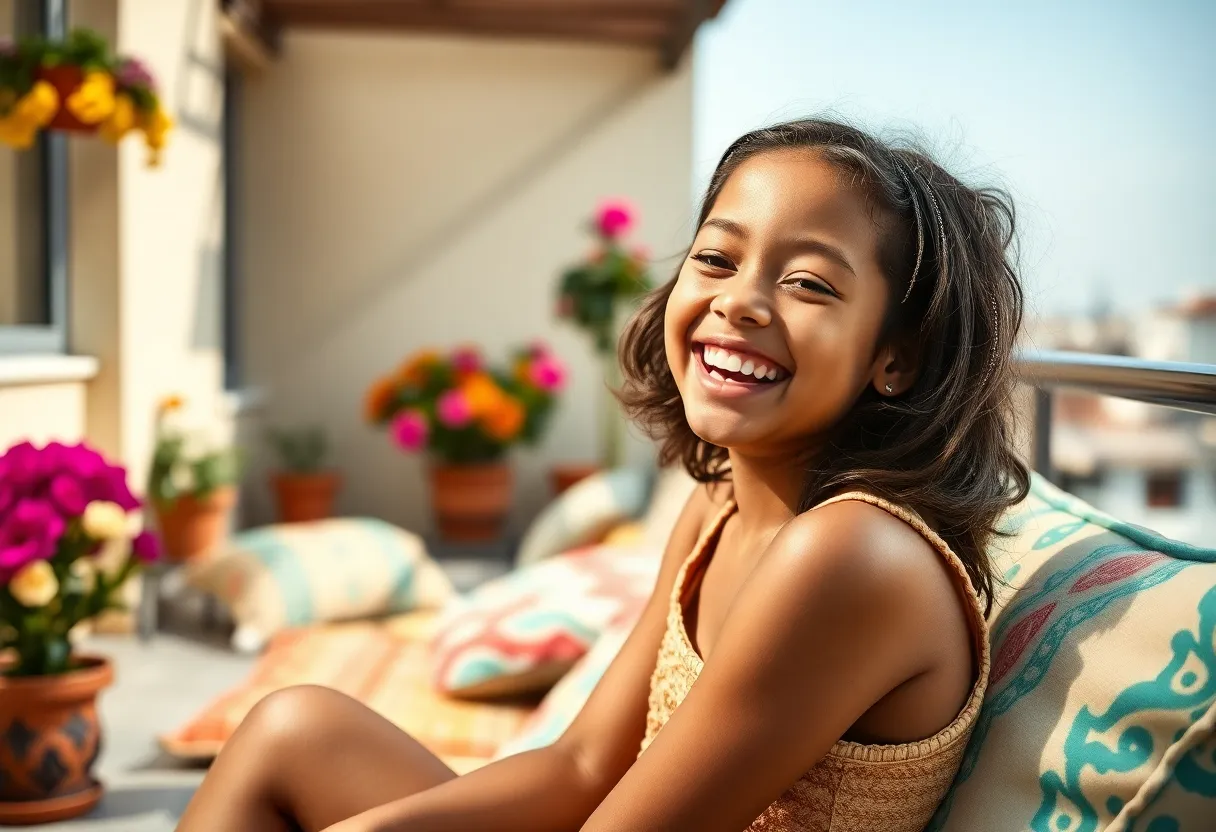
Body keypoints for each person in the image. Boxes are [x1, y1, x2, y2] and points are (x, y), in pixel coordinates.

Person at [176, 118, 1029, 832]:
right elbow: (584, 767)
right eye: (717, 258)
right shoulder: (717, 510)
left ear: (897, 359)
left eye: (807, 282)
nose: (741, 300)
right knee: (296, 725)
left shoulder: (852, 557)